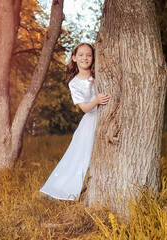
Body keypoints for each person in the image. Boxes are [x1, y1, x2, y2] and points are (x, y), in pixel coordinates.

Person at [39, 42, 110, 201]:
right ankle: (69, 189)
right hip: (91, 120)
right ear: (74, 58)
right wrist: (97, 100)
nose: (85, 57)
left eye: (89, 55)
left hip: (105, 116)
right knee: (81, 157)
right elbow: (85, 108)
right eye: (81, 55)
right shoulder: (74, 83)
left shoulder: (98, 75)